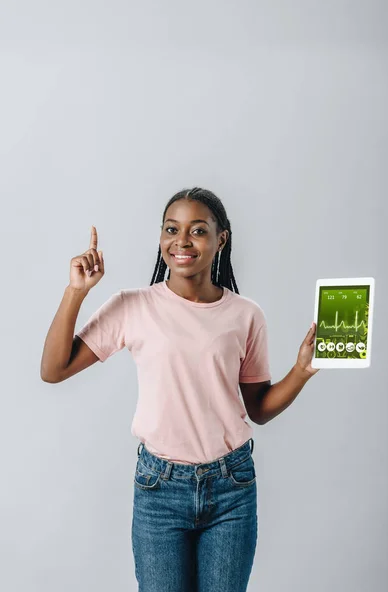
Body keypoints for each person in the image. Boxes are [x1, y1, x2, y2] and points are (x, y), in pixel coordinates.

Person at [40, 186, 319, 591]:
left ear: (221, 239)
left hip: (232, 488)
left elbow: (258, 408)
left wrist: (301, 370)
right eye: (172, 229)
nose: (182, 241)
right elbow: (53, 369)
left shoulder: (245, 315)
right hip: (159, 489)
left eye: (198, 230)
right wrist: (76, 292)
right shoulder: (132, 306)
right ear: (160, 237)